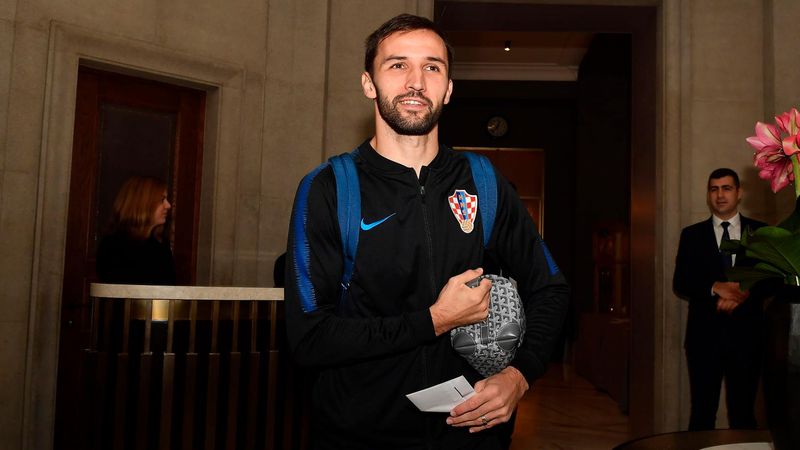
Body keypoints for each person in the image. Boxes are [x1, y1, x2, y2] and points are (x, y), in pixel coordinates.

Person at [284, 14, 569, 449]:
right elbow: (309, 338)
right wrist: (435, 320)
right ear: (368, 83)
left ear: (449, 88)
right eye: (397, 64)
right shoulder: (329, 188)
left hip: (473, 433)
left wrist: (519, 375)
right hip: (360, 434)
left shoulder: (483, 182)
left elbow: (550, 288)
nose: (416, 82)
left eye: (432, 67)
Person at [673, 168, 767, 430]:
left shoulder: (760, 232)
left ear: (739, 193)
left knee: (743, 415)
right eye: (714, 189)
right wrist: (715, 287)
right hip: (704, 339)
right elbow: (681, 282)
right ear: (708, 195)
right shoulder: (691, 235)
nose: (720, 195)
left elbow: (772, 280)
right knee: (702, 414)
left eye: (726, 188)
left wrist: (742, 291)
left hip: (747, 339)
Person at [96, 175, 176, 285]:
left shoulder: (161, 245)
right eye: (162, 200)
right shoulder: (113, 245)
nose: (168, 205)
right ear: (143, 203)